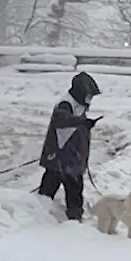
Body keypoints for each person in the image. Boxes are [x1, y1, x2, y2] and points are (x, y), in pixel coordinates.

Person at [38, 71, 103, 221]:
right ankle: (71, 220)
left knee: (57, 187)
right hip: (62, 158)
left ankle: (41, 212)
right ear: (80, 92)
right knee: (70, 188)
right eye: (88, 95)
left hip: (70, 158)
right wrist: (81, 122)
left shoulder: (78, 105)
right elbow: (62, 119)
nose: (90, 99)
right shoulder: (66, 104)